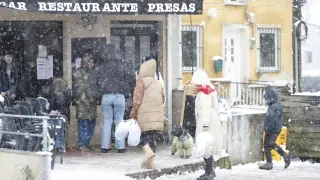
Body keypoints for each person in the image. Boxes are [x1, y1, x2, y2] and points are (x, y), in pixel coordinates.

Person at [89, 44, 135, 153]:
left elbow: (95, 80)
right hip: (119, 96)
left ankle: (105, 147)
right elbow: (132, 79)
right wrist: (126, 90)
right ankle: (120, 147)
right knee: (119, 122)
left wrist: (101, 90)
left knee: (107, 121)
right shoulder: (122, 66)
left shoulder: (102, 66)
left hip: (106, 96)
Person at [130, 59, 165, 169]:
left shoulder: (141, 82)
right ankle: (151, 163)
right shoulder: (157, 83)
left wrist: (133, 113)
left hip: (145, 116)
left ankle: (148, 154)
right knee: (152, 140)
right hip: (157, 116)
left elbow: (137, 100)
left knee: (140, 138)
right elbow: (163, 99)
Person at [191, 69, 221, 180]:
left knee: (205, 147)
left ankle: (209, 172)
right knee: (207, 147)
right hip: (211, 122)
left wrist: (204, 126)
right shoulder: (209, 89)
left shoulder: (204, 92)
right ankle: (209, 171)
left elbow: (205, 109)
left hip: (206, 123)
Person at [259, 88, 291, 170]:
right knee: (268, 145)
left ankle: (280, 158)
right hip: (272, 128)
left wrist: (268, 128)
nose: (266, 100)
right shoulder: (273, 104)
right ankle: (271, 162)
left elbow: (274, 119)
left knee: (269, 144)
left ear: (271, 97)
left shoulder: (275, 106)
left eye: (267, 98)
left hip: (273, 129)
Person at [72, 53, 97, 152]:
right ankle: (82, 144)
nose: (92, 64)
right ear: (85, 63)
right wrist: (87, 82)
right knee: (83, 124)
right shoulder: (77, 73)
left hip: (92, 102)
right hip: (82, 103)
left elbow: (95, 86)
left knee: (91, 123)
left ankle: (87, 143)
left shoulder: (93, 73)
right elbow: (78, 89)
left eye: (93, 62)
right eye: (90, 62)